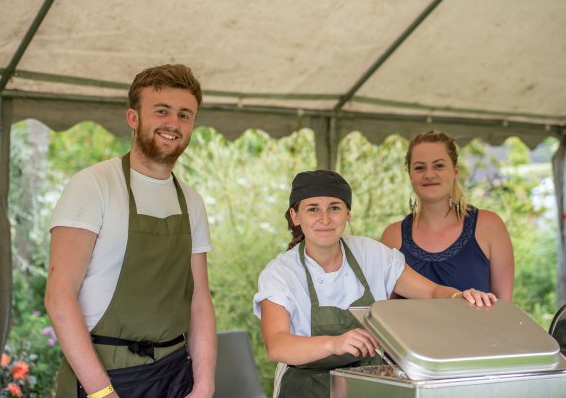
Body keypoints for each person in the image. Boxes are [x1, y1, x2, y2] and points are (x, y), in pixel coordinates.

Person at [44, 64, 216, 398]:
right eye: (162, 111)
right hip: (106, 376)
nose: (173, 124)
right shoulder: (93, 186)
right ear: (133, 118)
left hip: (176, 375)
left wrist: (205, 384)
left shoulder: (191, 201)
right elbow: (59, 298)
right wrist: (101, 392)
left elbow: (199, 301)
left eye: (185, 115)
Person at [253, 170, 496, 398]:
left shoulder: (371, 254)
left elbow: (431, 290)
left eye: (334, 208)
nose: (325, 219)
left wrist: (459, 298)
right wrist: (335, 343)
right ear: (295, 216)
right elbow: (277, 345)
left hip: (367, 382)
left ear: (348, 214)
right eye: (313, 209)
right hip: (305, 387)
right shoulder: (280, 273)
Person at [381, 130, 514, 301]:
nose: (429, 174)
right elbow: (382, 310)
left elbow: (504, 308)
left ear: (456, 172)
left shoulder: (489, 226)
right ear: (410, 175)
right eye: (420, 167)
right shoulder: (392, 237)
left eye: (439, 165)